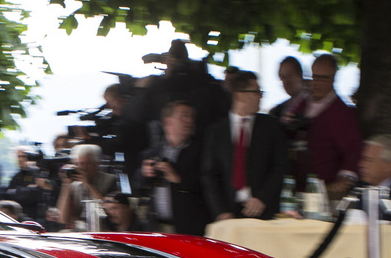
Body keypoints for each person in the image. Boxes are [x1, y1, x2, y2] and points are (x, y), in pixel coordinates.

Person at [202, 72, 290, 222]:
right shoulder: (216, 131)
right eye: (256, 92)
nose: (260, 96)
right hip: (228, 214)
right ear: (239, 96)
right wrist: (221, 211)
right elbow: (209, 175)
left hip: (262, 212)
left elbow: (280, 166)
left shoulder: (271, 127)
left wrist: (263, 198)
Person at [137, 100, 209, 235]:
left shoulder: (201, 151)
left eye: (191, 117)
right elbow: (137, 186)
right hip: (156, 228)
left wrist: (177, 178)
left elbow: (208, 186)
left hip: (189, 229)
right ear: (168, 121)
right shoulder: (151, 153)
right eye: (184, 115)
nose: (189, 120)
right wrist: (144, 173)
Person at [298, 54, 362, 200]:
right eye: (315, 77)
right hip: (296, 187)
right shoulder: (301, 105)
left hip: (324, 193)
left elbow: (353, 151)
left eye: (324, 78)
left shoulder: (342, 113)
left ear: (333, 78)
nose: (317, 82)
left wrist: (344, 179)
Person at [55, 144, 116, 230]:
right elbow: (63, 219)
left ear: (96, 164)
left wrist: (88, 184)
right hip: (81, 230)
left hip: (103, 228)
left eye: (86, 163)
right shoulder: (74, 184)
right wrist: (66, 184)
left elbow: (108, 213)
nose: (82, 167)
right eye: (78, 163)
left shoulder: (109, 180)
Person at [5, 148, 54, 225]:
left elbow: (37, 194)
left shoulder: (38, 173)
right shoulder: (17, 176)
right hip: (20, 215)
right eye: (18, 156)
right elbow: (9, 193)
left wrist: (19, 191)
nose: (20, 159)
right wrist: (25, 190)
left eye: (23, 156)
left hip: (38, 215)